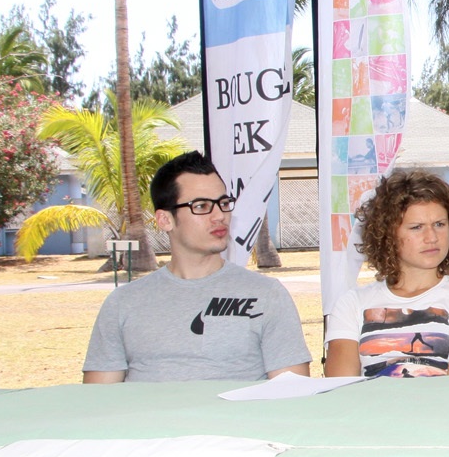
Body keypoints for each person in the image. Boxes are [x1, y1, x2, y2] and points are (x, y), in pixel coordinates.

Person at [83, 151, 312, 382]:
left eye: (223, 203)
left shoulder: (268, 295)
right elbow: (100, 401)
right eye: (201, 206)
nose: (219, 216)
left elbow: (292, 393)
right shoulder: (123, 303)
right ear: (165, 220)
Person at [324, 170, 449, 378]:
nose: (431, 237)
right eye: (416, 227)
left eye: (440, 224)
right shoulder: (352, 303)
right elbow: (341, 388)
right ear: (387, 235)